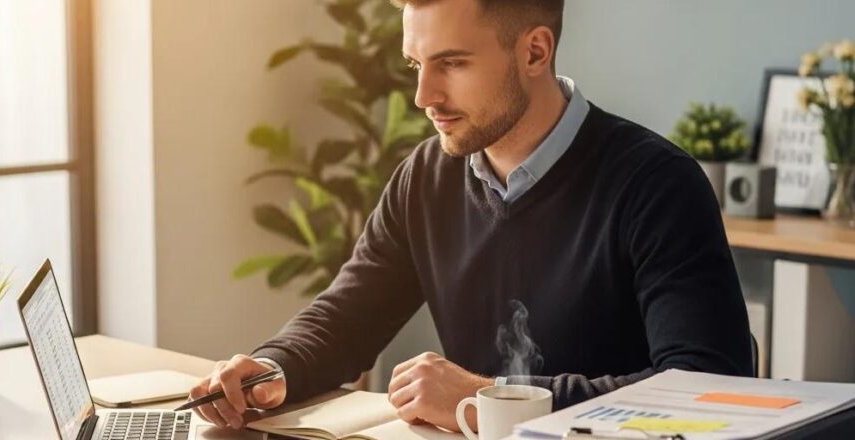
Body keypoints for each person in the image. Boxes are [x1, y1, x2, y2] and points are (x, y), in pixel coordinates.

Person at [189, 0, 753, 433]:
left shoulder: (657, 184)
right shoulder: (426, 176)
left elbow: (706, 386)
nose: (422, 95)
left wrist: (490, 400)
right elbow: (346, 320)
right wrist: (272, 369)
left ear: (535, 52)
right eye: (416, 64)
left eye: (452, 63)